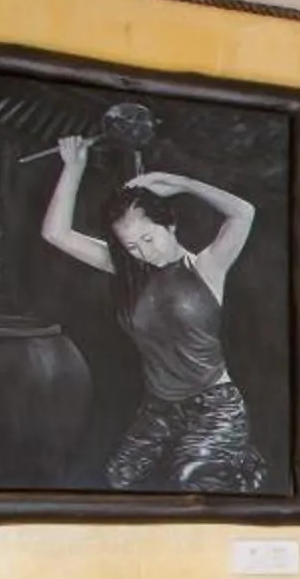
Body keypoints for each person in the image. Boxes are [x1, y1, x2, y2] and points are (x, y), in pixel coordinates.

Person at [39, 134, 269, 491]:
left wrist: (182, 184)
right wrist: (74, 167)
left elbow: (244, 212)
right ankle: (236, 461)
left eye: (149, 238)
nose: (143, 252)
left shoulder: (207, 267)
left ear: (169, 225)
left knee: (194, 482)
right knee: (119, 480)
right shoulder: (129, 271)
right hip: (159, 409)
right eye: (131, 246)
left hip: (216, 406)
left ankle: (236, 458)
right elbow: (55, 233)